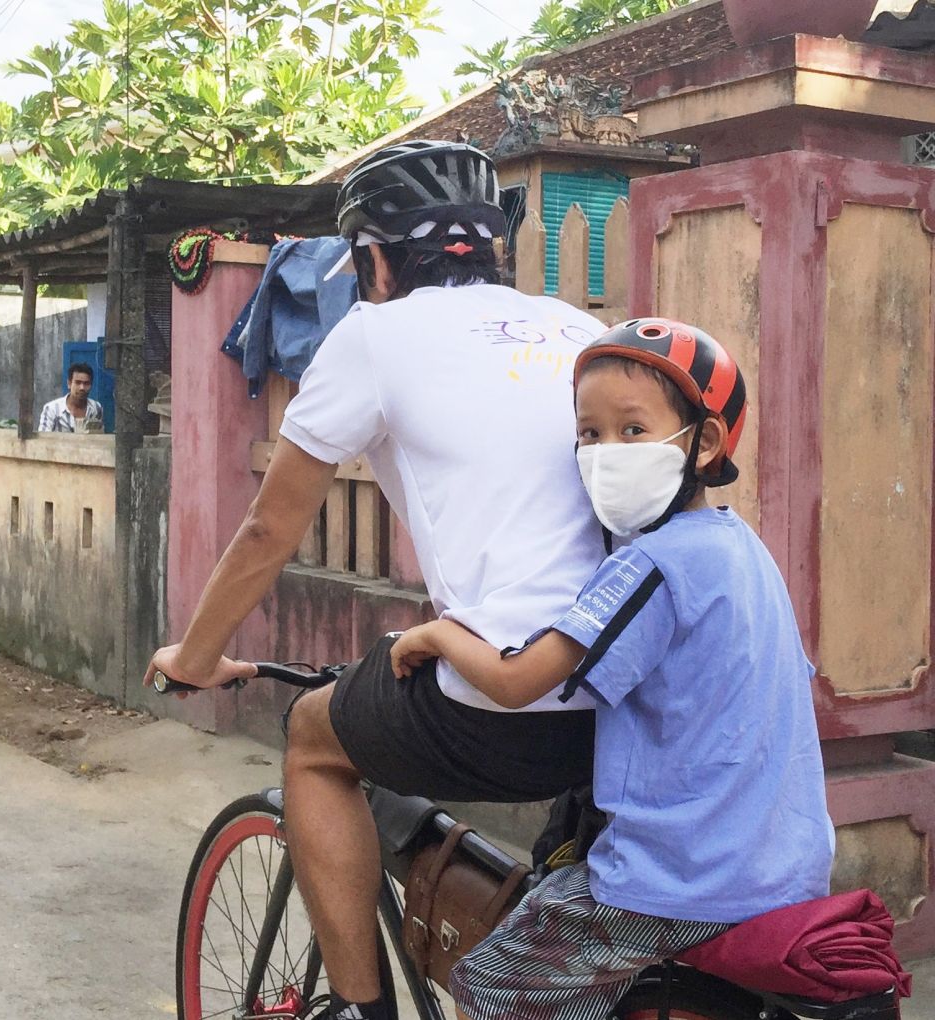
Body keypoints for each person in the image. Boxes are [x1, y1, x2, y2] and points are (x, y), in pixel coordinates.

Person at [145, 141, 607, 1020]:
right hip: (623, 691)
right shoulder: (577, 328)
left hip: (503, 699)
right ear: (497, 247)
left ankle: (363, 1008)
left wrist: (197, 655)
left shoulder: (374, 333)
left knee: (317, 738)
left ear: (373, 260)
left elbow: (269, 526)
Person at [387, 319, 833, 1020]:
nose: (603, 453)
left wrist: (441, 633)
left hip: (679, 883)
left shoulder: (649, 564)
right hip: (787, 872)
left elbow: (515, 681)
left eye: (632, 431)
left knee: (487, 982)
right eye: (589, 435)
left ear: (704, 443)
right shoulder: (743, 549)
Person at [37, 363, 103, 434]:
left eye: (86, 383)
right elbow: (43, 439)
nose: (82, 388)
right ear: (69, 384)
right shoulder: (52, 409)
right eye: (78, 383)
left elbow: (98, 438)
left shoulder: (96, 408)